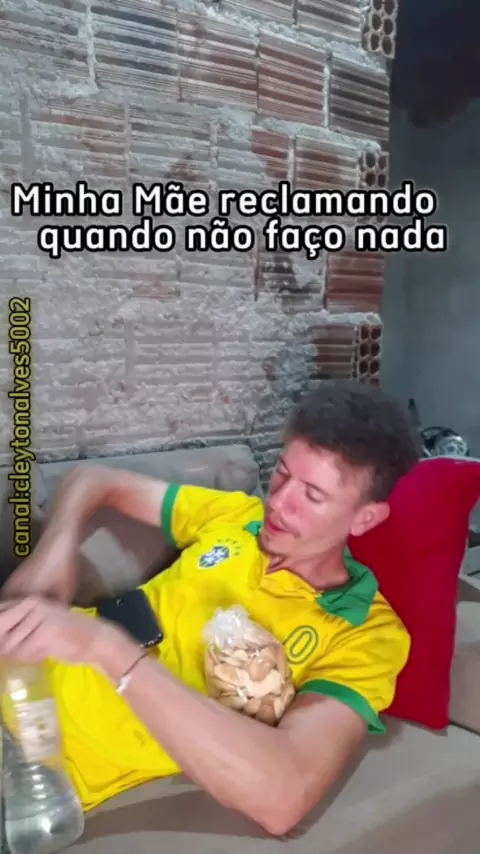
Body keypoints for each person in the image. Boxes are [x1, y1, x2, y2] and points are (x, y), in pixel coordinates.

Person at [0, 381, 419, 836]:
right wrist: (56, 547)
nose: (279, 503)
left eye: (313, 496)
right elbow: (93, 480)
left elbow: (284, 795)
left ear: (365, 518)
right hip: (16, 657)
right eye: (282, 474)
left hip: (32, 765)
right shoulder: (238, 518)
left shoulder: (365, 633)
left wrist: (108, 650)